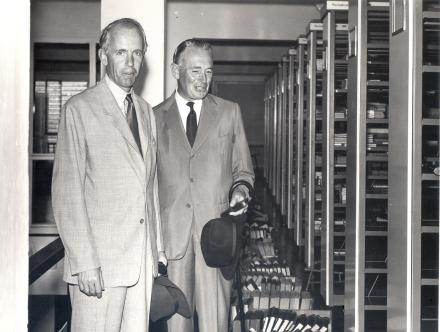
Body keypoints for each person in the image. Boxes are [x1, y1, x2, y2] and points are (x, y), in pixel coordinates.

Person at [52, 18, 166, 331]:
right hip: (98, 265)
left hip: (140, 264)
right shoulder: (79, 109)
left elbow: (149, 185)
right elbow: (67, 194)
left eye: (137, 54)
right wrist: (84, 262)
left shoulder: (144, 110)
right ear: (104, 55)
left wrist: (158, 251)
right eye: (121, 53)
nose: (130, 63)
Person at [154, 39, 255, 332]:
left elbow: (244, 170)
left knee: (215, 324)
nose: (203, 79)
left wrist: (240, 190)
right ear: (176, 70)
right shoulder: (153, 116)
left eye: (208, 72)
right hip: (173, 239)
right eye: (195, 71)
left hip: (217, 237)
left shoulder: (229, 112)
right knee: (177, 324)